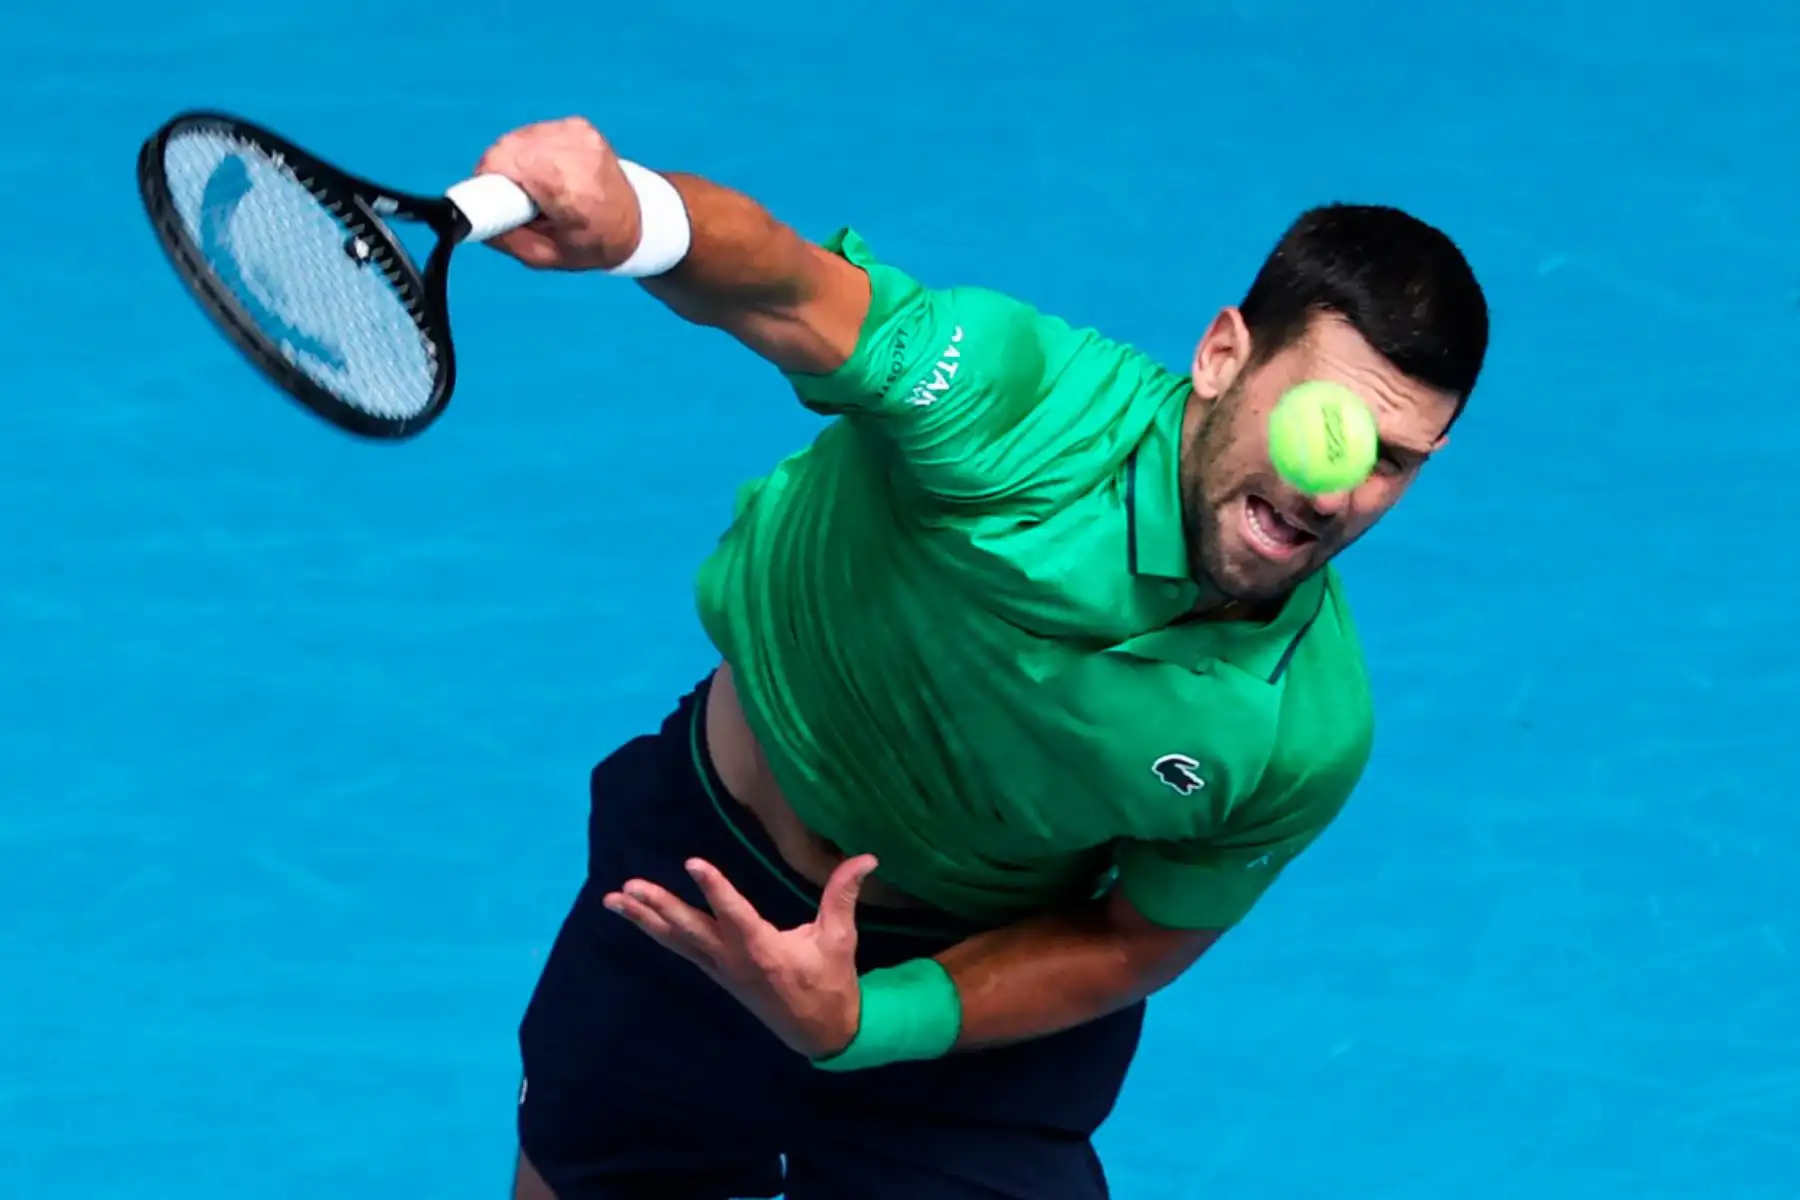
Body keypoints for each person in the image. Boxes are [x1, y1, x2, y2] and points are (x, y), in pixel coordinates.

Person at [471, 117, 1489, 1200]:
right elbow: (790, 291)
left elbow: (1128, 941)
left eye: (1392, 463)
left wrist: (871, 1017)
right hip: (704, 887)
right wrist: (637, 216)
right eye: (1325, 427)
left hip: (965, 999)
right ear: (1223, 355)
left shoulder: (1303, 726)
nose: (1338, 492)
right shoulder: (1019, 408)